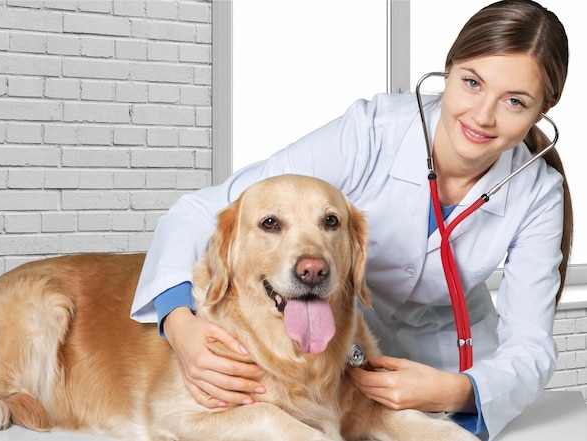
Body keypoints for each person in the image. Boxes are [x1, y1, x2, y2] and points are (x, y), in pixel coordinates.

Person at [130, 1, 573, 439]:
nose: (482, 115)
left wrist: (458, 391)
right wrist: (180, 325)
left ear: (545, 107)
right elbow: (201, 210)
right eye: (472, 82)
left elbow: (530, 345)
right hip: (343, 355)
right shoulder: (372, 131)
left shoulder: (538, 193)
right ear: (448, 68)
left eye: (515, 101)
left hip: (448, 368)